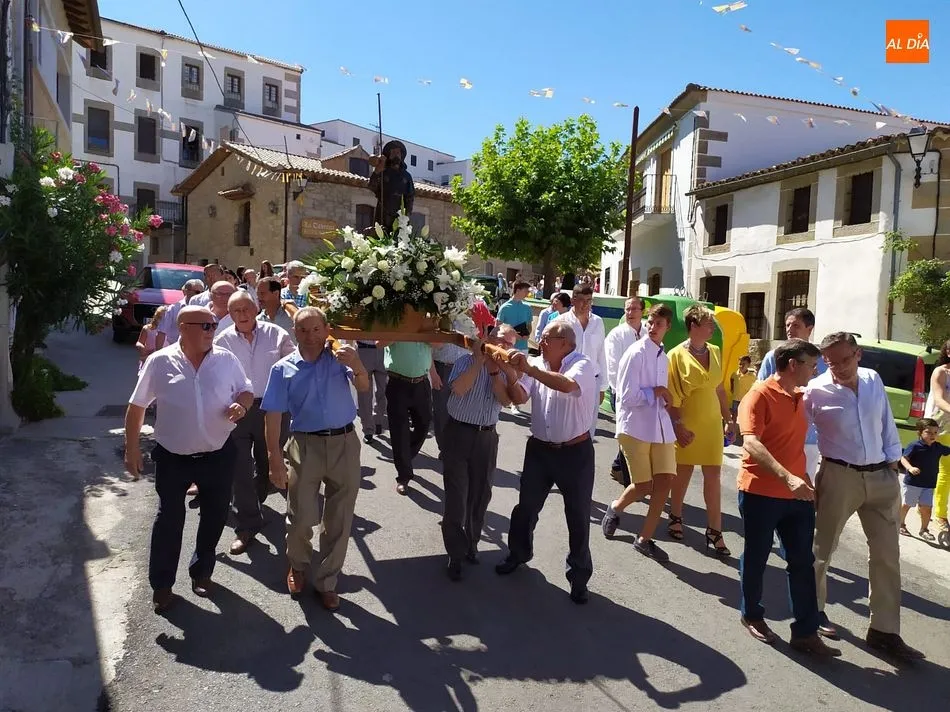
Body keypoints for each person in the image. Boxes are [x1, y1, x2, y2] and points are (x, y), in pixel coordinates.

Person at [124, 305, 254, 613]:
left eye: (213, 326)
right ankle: (163, 585)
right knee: (169, 520)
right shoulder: (159, 362)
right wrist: (131, 448)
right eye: (206, 326)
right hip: (173, 457)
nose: (213, 331)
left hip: (218, 454)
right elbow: (137, 406)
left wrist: (242, 406)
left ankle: (202, 572)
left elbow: (246, 390)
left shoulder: (226, 360)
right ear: (184, 327)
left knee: (214, 517)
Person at [804, 331, 924, 660]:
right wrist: (800, 474)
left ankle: (884, 631)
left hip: (881, 478)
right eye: (831, 362)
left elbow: (886, 423)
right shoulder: (815, 390)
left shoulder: (872, 379)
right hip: (839, 476)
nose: (839, 368)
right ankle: (811, 617)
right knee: (821, 551)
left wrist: (892, 462)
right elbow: (800, 430)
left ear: (858, 354)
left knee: (887, 556)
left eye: (845, 360)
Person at [736, 339, 840, 655]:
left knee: (801, 561)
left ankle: (806, 633)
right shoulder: (758, 395)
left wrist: (806, 481)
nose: (816, 370)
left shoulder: (801, 396)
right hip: (760, 492)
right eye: (811, 364)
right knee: (757, 556)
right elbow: (751, 442)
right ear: (793, 365)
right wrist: (787, 476)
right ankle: (751, 614)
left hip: (797, 495)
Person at [262, 307, 370, 611]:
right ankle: (297, 565)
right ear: (294, 332)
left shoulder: (341, 360)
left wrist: (357, 362)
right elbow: (273, 415)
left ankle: (328, 581)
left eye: (316, 330)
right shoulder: (283, 368)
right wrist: (273, 458)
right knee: (300, 515)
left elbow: (363, 386)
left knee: (340, 517)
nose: (310, 337)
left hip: (345, 443)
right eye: (303, 330)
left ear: (326, 330)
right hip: (304, 445)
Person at [495, 320, 597, 605]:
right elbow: (521, 396)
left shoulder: (582, 364)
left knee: (577, 516)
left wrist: (528, 369)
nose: (541, 341)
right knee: (526, 506)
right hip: (540, 450)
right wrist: (510, 375)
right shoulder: (538, 362)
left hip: (574, 453)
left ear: (565, 342)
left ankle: (578, 578)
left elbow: (566, 386)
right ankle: (518, 553)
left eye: (547, 338)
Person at [214, 291, 294, 555]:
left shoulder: (276, 334)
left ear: (256, 308)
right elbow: (216, 376)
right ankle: (246, 524)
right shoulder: (222, 341)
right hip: (237, 409)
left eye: (246, 309)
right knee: (239, 467)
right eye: (235, 311)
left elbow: (294, 364)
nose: (242, 315)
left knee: (267, 462)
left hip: (273, 409)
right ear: (229, 314)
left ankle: (255, 503)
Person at [441, 326, 521, 581]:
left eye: (509, 344)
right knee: (457, 494)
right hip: (459, 432)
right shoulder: (465, 361)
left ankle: (472, 542)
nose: (504, 348)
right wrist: (478, 361)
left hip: (486, 435)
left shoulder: (507, 369)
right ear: (488, 340)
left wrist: (497, 372)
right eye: (500, 342)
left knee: (481, 492)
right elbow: (459, 389)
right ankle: (455, 552)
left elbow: (506, 401)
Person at [601, 304, 677, 563]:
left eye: (659, 324)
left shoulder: (663, 357)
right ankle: (614, 508)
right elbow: (626, 397)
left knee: (665, 481)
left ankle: (644, 539)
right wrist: (655, 392)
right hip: (634, 426)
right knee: (643, 486)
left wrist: (668, 402)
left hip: (660, 427)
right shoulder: (635, 353)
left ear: (668, 327)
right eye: (651, 322)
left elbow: (662, 394)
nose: (653, 327)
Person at [758, 308, 827, 482]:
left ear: (809, 329)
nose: (790, 329)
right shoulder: (773, 357)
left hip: (809, 437)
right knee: (774, 482)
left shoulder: (822, 361)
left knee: (804, 486)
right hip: (777, 433)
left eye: (796, 325)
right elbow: (760, 391)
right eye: (788, 325)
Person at [380, 340, 441, 495]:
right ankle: (403, 476)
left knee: (424, 424)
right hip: (397, 382)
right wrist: (399, 334)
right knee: (399, 430)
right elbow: (379, 343)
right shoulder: (395, 319)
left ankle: (404, 455)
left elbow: (438, 344)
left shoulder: (426, 319)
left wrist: (433, 374)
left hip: (421, 382)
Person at [604, 296, 646, 487]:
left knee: (636, 433)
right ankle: (630, 481)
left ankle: (617, 466)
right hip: (622, 393)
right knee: (626, 434)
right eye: (627, 309)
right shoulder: (617, 335)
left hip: (643, 392)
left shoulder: (647, 331)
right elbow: (612, 367)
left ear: (642, 311)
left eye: (634, 309)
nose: (630, 313)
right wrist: (620, 393)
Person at [557, 284, 607, 438]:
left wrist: (603, 386)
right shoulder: (562, 321)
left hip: (593, 380)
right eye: (581, 300)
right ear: (573, 300)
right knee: (566, 427)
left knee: (588, 428)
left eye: (589, 300)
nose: (585, 305)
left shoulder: (598, 322)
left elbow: (601, 353)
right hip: (568, 381)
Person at [431, 314, 477, 459]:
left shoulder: (467, 321)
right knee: (441, 411)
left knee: (463, 409)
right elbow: (429, 348)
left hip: (463, 369)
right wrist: (433, 374)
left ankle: (460, 446)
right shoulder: (437, 320)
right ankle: (444, 447)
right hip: (442, 368)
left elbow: (474, 343)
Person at [899, 418, 950, 541]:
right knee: (907, 505)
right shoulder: (915, 446)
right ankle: (900, 524)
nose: (932, 435)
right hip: (913, 483)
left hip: (929, 484)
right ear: (920, 433)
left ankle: (924, 530)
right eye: (929, 432)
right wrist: (910, 468)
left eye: (935, 433)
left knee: (927, 508)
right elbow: (903, 458)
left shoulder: (938, 447)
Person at [923, 340, 950, 544]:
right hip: (943, 427)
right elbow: (940, 399)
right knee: (945, 473)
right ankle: (940, 516)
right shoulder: (941, 372)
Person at [368, 140, 414, 233]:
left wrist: (406, 215)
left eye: (398, 152)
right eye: (393, 152)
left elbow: (410, 196)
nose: (395, 154)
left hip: (400, 215)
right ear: (388, 155)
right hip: (383, 213)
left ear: (402, 155)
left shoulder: (407, 176)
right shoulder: (382, 172)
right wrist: (377, 171)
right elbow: (372, 186)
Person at [355, 338, 387, 444]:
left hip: (382, 349)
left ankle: (378, 420)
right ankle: (368, 430)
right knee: (365, 393)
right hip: (364, 349)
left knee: (383, 390)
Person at [156, 279, 204, 349]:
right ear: (186, 291)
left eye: (202, 292)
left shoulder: (205, 308)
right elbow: (161, 332)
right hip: (175, 349)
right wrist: (158, 352)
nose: (200, 295)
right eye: (197, 292)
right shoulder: (173, 309)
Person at [495, 280, 534, 354]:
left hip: (523, 347)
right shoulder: (504, 307)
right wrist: (513, 335)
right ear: (518, 290)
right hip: (507, 347)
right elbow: (498, 327)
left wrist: (527, 335)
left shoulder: (527, 307)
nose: (527, 294)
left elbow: (529, 326)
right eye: (525, 291)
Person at [257, 276, 296, 341]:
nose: (259, 297)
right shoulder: (258, 321)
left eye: (262, 293)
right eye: (257, 293)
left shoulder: (291, 314)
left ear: (276, 293)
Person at [136, 306, 169, 373]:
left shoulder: (170, 331)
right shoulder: (147, 328)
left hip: (164, 360)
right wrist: (141, 347)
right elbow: (139, 342)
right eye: (159, 317)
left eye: (164, 319)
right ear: (155, 317)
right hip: (148, 358)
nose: (161, 320)